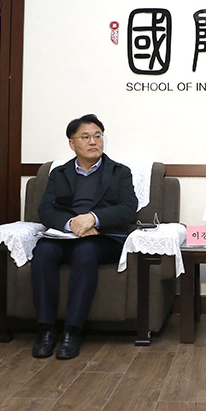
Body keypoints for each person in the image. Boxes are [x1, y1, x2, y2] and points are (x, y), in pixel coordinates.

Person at [31, 114, 138, 360]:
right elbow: (45, 210)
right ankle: (46, 330)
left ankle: (72, 331)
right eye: (86, 137)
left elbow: (128, 208)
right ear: (72, 143)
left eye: (98, 136)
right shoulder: (59, 173)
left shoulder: (120, 172)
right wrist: (72, 224)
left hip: (103, 238)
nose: (93, 142)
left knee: (85, 251)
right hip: (65, 235)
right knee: (43, 251)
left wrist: (93, 218)